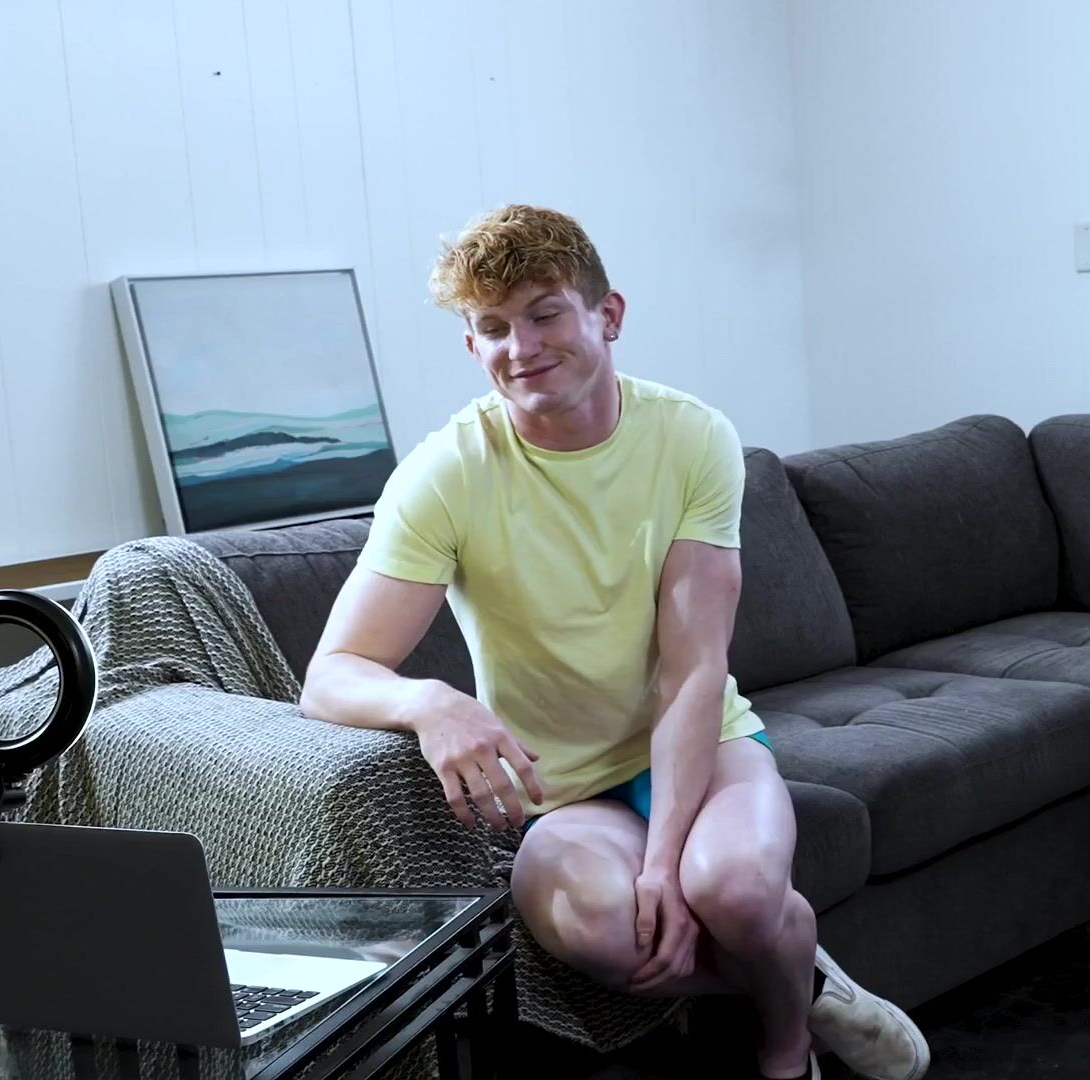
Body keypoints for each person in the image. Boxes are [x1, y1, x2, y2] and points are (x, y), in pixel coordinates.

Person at [298, 204, 929, 1080]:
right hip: (560, 788)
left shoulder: (691, 437)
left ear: (608, 315)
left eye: (544, 314)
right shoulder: (443, 475)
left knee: (737, 891)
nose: (521, 346)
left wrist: (664, 864)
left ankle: (788, 1049)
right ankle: (804, 976)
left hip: (700, 741)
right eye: (493, 328)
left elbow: (693, 669)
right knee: (605, 932)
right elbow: (330, 677)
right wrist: (430, 703)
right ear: (472, 347)